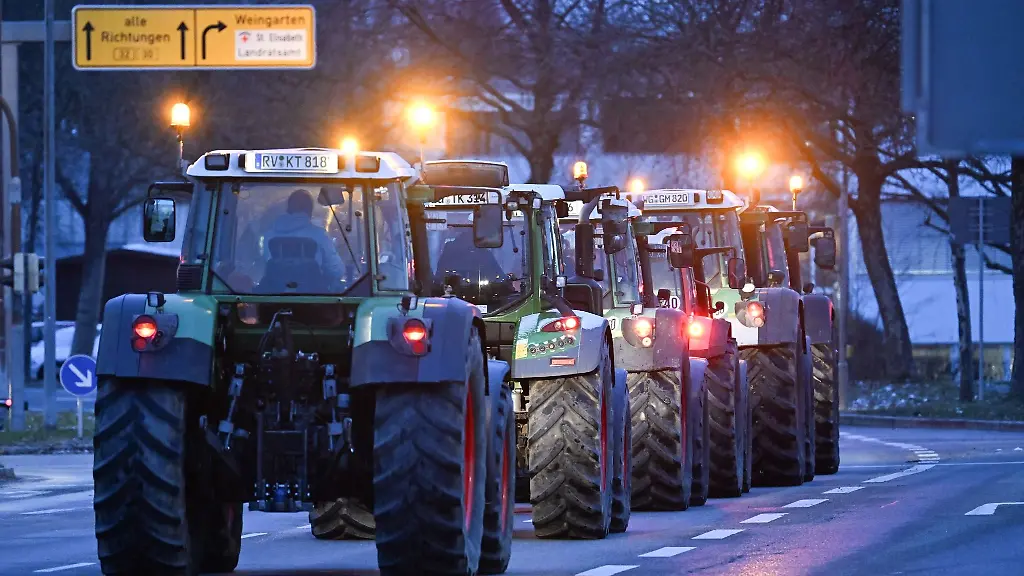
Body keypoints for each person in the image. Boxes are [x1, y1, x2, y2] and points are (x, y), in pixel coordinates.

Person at [263, 189, 346, 283]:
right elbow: (336, 271)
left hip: (273, 293)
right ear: (310, 211)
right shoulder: (319, 235)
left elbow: (262, 266)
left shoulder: (268, 235)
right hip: (314, 294)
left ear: (288, 209)